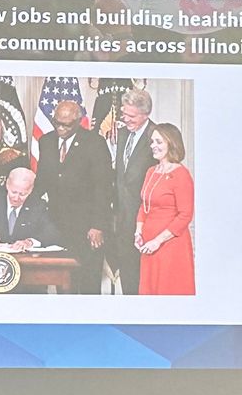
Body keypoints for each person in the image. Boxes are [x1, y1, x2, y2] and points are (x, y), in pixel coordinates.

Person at [32, 99, 110, 293]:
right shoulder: (46, 141)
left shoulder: (94, 143)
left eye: (66, 124)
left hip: (87, 225)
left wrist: (97, 225)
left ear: (78, 121)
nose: (60, 128)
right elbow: (42, 181)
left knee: (88, 281)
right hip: (57, 223)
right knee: (63, 280)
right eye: (57, 122)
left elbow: (104, 187)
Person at [135, 122, 195, 296]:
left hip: (170, 245)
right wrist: (138, 233)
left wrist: (157, 241)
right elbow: (143, 205)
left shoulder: (181, 175)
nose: (153, 146)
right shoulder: (151, 171)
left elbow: (185, 215)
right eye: (152, 141)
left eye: (159, 142)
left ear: (171, 143)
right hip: (148, 244)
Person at [108, 90, 156, 294]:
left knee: (144, 279)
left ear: (145, 114)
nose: (125, 119)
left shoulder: (156, 137)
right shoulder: (123, 133)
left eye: (132, 116)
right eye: (124, 114)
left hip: (146, 221)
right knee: (128, 275)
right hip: (122, 218)